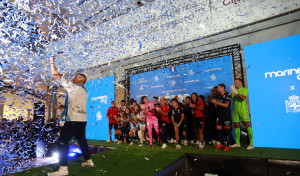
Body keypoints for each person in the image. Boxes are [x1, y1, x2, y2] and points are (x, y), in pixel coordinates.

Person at [48, 56, 94, 176]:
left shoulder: (73, 87)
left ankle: (63, 169)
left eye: (76, 77)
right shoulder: (84, 91)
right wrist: (62, 107)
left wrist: (51, 61)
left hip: (73, 120)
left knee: (62, 142)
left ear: (80, 80)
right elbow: (75, 104)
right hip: (82, 120)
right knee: (82, 140)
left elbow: (55, 75)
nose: (73, 78)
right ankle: (89, 161)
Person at [230, 78, 254, 150]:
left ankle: (251, 144)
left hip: (243, 110)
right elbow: (232, 98)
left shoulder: (244, 89)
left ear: (240, 83)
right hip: (235, 111)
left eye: (237, 82)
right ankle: (237, 143)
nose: (235, 84)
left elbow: (243, 98)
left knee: (247, 125)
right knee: (236, 126)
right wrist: (233, 93)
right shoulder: (234, 90)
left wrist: (236, 93)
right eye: (235, 82)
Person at [211, 83, 233, 152]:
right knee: (218, 128)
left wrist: (217, 103)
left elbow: (226, 105)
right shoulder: (219, 96)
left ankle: (228, 145)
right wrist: (215, 103)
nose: (217, 89)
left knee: (227, 130)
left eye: (218, 88)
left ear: (222, 88)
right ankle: (221, 143)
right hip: (219, 115)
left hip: (226, 115)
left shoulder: (228, 95)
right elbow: (217, 106)